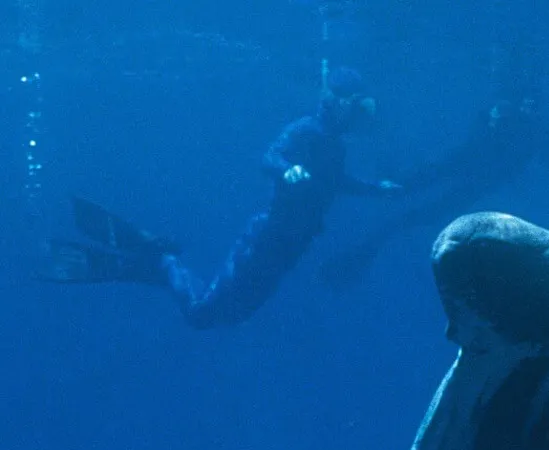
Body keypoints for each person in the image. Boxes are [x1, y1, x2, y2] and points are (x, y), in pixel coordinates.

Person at [37, 66, 403, 328]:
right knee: (201, 314)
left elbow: (337, 182)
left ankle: (152, 264)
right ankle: (164, 263)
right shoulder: (306, 130)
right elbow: (269, 156)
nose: (359, 116)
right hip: (266, 242)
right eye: (357, 106)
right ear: (337, 102)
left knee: (232, 316)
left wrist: (376, 189)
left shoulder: (334, 148)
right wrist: (285, 170)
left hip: (287, 251)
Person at [316, 71, 549, 290]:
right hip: (470, 168)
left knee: (420, 205)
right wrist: (493, 119)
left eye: (531, 105)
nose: (526, 108)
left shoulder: (534, 129)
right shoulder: (523, 123)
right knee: (415, 193)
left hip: (473, 176)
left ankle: (368, 242)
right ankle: (377, 215)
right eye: (525, 103)